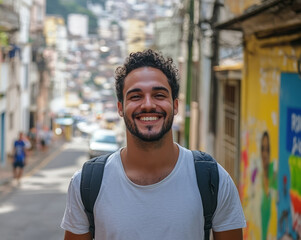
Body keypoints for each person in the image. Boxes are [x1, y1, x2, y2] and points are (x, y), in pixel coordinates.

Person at [61, 49, 246, 240]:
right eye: (135, 96)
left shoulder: (213, 180)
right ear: (120, 108)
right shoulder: (85, 184)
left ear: (175, 105)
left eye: (159, 95)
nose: (148, 104)